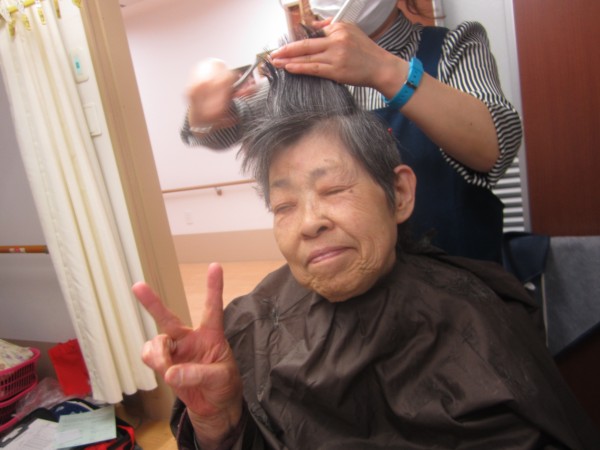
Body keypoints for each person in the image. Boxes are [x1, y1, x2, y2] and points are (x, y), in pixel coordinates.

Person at [135, 64, 600, 449]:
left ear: (399, 193)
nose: (309, 222)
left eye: (334, 189)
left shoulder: (476, 324)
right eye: (284, 206)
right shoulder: (246, 329)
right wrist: (220, 424)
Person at [181, 0, 523, 263]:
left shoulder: (454, 46)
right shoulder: (301, 70)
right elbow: (218, 131)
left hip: (462, 283)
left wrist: (383, 70)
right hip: (354, 296)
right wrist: (204, 112)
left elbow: (497, 146)